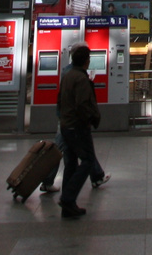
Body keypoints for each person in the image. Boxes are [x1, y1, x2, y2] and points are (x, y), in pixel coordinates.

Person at [57, 43, 101, 219]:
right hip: (78, 127)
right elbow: (82, 104)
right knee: (88, 161)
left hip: (66, 125)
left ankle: (68, 206)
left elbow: (60, 100)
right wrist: (90, 120)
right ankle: (67, 198)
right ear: (86, 61)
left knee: (71, 163)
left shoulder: (67, 76)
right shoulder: (81, 79)